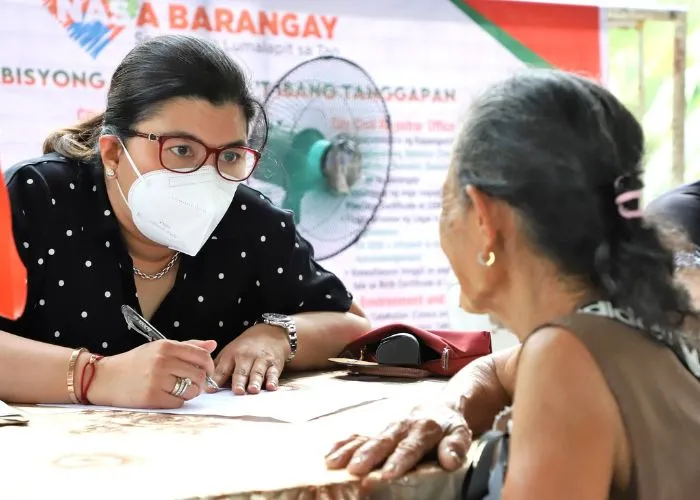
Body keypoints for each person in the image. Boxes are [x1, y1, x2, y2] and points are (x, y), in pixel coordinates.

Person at [326, 70, 700, 498]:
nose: (443, 222)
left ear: (485, 220)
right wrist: (449, 407)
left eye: (446, 201)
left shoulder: (566, 361)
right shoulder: (641, 321)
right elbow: (496, 371)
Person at [0, 34, 370, 409]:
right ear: (112, 153)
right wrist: (95, 376)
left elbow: (353, 326)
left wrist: (278, 335)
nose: (206, 176)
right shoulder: (37, 196)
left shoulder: (248, 221)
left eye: (228, 156)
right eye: (181, 150)